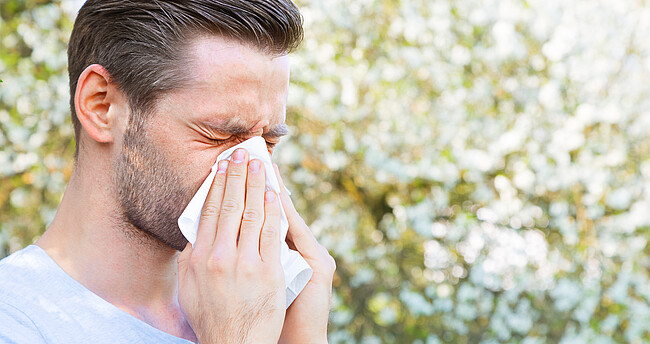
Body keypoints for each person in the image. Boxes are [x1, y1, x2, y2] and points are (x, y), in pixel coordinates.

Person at [0, 1, 336, 343]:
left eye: (268, 141)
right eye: (218, 135)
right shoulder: (15, 322)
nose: (252, 168)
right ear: (101, 105)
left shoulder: (266, 308)